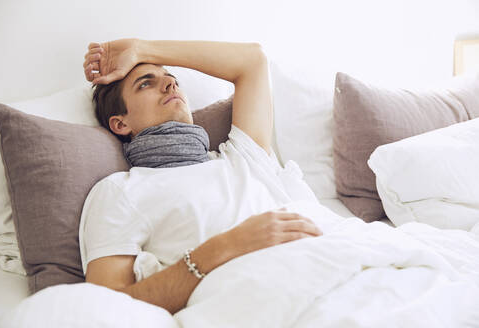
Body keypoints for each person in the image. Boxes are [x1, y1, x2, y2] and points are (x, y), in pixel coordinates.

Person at [80, 39, 323, 315]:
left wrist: (140, 49)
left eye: (172, 80)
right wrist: (226, 246)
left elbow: (253, 60)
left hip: (336, 262)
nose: (170, 85)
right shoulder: (120, 191)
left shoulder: (243, 156)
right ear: (120, 123)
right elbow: (105, 309)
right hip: (272, 299)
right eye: (145, 83)